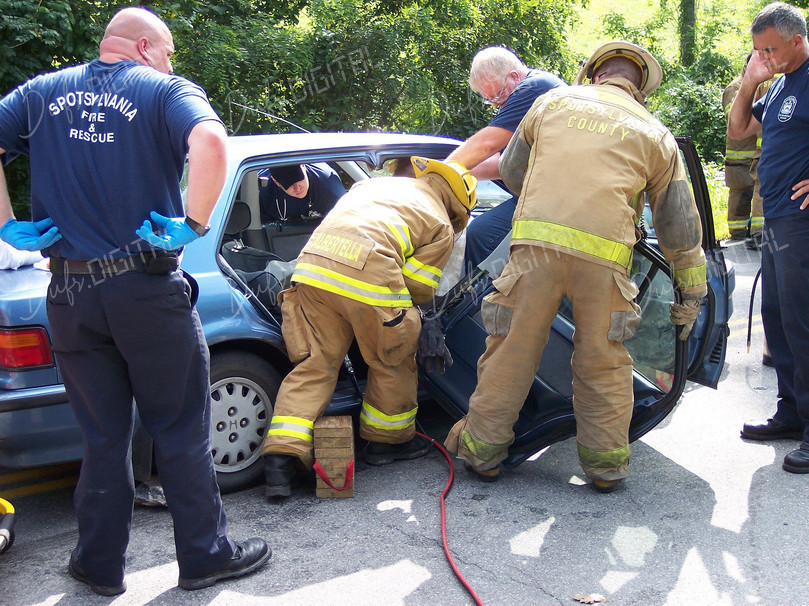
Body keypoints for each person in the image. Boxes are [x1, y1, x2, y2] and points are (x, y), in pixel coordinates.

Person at [0, 7, 271, 595]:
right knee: (179, 428)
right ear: (146, 47)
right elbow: (209, 139)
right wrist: (193, 223)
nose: (172, 62)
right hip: (145, 288)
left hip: (69, 291)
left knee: (102, 437)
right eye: (169, 51)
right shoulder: (165, 90)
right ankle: (204, 557)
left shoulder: (40, 93)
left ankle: (97, 566)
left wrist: (5, 223)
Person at [443, 41, 708, 493]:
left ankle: (482, 453)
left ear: (594, 73)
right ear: (640, 88)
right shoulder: (655, 133)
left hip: (535, 253)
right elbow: (678, 224)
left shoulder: (551, 102)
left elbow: (512, 170)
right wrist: (691, 290)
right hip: (604, 263)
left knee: (511, 351)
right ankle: (605, 468)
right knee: (603, 362)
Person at [261, 157, 477, 498]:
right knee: (392, 358)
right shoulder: (440, 224)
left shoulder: (371, 185)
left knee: (315, 367)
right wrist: (413, 326)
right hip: (369, 282)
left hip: (310, 273)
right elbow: (417, 287)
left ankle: (280, 460)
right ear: (457, 209)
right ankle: (386, 443)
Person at [728, 2, 809, 473]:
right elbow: (739, 131)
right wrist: (752, 80)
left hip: (802, 221)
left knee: (804, 322)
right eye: (758, 49)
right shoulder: (777, 84)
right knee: (778, 320)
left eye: (771, 49)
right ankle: (793, 413)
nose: (765, 56)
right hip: (777, 217)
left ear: (796, 40)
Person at [444, 47, 566, 274]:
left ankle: (466, 306)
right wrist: (454, 169)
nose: (498, 106)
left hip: (554, 200)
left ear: (514, 77)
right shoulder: (537, 94)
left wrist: (439, 172)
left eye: (498, 96)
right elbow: (500, 164)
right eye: (489, 101)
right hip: (549, 197)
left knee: (479, 236)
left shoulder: (534, 87)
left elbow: (486, 145)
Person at [258, 162, 346, 223]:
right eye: (288, 183)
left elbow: (346, 221)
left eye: (299, 178)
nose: (297, 188)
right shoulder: (263, 189)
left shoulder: (330, 186)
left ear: (303, 166)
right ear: (276, 182)